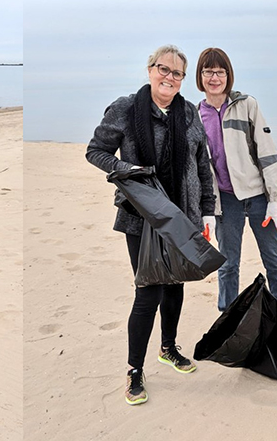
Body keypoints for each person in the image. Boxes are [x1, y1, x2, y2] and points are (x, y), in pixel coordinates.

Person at [87, 45, 216, 406]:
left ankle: (168, 348)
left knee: (175, 284)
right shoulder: (126, 108)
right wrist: (128, 172)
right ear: (150, 69)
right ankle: (134, 370)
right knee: (148, 291)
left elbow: (201, 164)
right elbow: (96, 151)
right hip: (140, 216)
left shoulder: (188, 113)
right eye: (164, 69)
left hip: (182, 216)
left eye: (177, 73)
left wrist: (207, 210)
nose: (170, 78)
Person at [194, 47, 277, 329]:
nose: (214, 77)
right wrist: (204, 208)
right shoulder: (194, 116)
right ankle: (228, 324)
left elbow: (267, 152)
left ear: (228, 75)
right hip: (224, 202)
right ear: (200, 76)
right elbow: (198, 168)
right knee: (227, 266)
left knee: (275, 263)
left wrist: (275, 199)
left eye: (220, 71)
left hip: (258, 199)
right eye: (208, 71)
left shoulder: (247, 104)